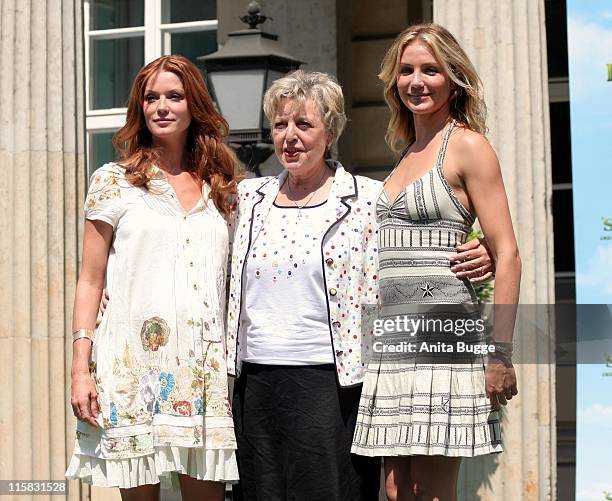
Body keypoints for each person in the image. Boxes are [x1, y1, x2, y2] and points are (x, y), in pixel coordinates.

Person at [225, 70, 495, 501]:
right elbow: (194, 242)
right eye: (280, 126)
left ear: (330, 132)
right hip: (254, 383)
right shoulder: (247, 199)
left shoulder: (368, 199)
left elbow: (416, 249)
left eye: (304, 125)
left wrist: (488, 251)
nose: (290, 137)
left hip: (332, 383)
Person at [351, 24, 522, 501]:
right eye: (406, 71)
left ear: (453, 79)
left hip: (443, 337)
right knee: (394, 489)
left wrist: (500, 354)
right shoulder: (405, 153)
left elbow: (507, 251)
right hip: (392, 338)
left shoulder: (467, 145)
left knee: (432, 491)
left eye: (430, 69)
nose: (416, 81)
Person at [65, 55, 240, 500]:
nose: (161, 106)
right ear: (139, 108)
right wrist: (79, 370)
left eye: (174, 96)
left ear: (193, 105)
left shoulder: (221, 186)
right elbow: (90, 280)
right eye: (151, 97)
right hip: (133, 367)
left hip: (203, 371)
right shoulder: (113, 181)